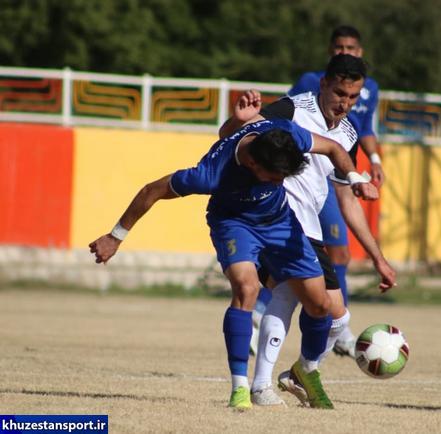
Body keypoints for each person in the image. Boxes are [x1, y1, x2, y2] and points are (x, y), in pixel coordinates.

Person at [89, 115, 378, 410]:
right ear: (253, 164)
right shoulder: (209, 174)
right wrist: (115, 236)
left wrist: (355, 178)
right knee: (246, 287)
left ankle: (305, 369)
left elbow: (333, 148)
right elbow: (151, 191)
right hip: (234, 224)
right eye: (275, 177)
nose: (280, 182)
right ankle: (241, 388)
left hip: (279, 221)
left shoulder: (284, 134)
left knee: (321, 305)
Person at [221, 54, 396, 407]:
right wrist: (232, 123)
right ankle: (287, 376)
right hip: (280, 221)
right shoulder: (289, 110)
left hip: (307, 227)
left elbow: (346, 200)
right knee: (333, 313)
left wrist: (378, 258)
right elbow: (234, 135)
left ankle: (276, 381)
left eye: (352, 98)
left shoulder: (348, 134)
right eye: (339, 94)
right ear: (323, 84)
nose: (345, 104)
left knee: (301, 302)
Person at [287, 25, 385, 358]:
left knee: (337, 257)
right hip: (296, 185)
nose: (346, 103)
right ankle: (260, 356)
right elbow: (275, 121)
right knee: (282, 282)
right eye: (339, 47)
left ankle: (317, 352)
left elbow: (365, 129)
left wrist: (371, 160)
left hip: (334, 178)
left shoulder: (368, 89)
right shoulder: (307, 86)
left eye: (352, 48)